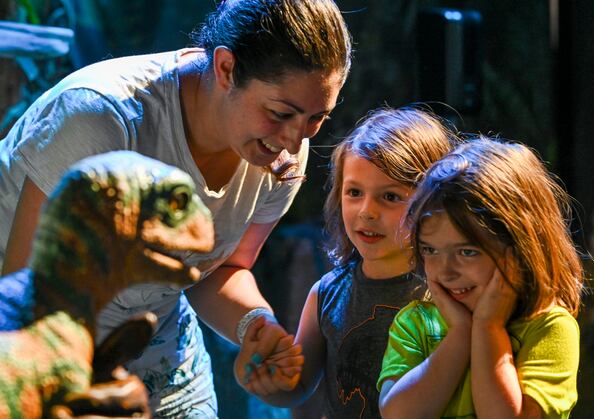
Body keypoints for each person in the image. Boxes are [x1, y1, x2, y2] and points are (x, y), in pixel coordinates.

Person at [0, 0, 352, 416]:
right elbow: (26, 301)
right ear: (225, 68)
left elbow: (221, 267)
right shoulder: (99, 119)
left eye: (317, 119)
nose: (295, 141)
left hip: (152, 342)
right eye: (281, 113)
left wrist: (254, 323)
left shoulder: (280, 153)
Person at [234, 107, 456, 417]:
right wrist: (269, 382)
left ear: (432, 201)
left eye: (390, 196)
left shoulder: (450, 292)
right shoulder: (325, 293)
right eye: (354, 192)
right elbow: (297, 387)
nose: (366, 211)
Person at [378, 137, 583, 418]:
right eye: (430, 249)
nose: (446, 270)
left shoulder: (549, 328)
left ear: (521, 250)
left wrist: (488, 328)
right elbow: (398, 414)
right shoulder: (415, 323)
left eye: (467, 251)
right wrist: (461, 334)